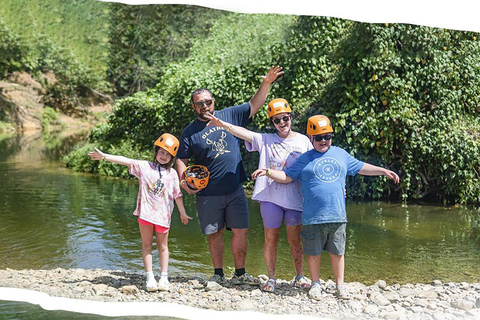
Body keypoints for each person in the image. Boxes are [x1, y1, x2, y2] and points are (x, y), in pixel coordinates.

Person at [252, 115, 400, 300]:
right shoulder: (304, 159)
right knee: (313, 252)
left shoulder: (340, 154)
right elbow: (287, 176)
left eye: (327, 137)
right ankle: (315, 284)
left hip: (337, 215)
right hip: (312, 216)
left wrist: (383, 171)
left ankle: (340, 285)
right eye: (319, 137)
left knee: (338, 252)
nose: (324, 141)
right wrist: (268, 172)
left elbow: (361, 167)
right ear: (310, 138)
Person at [176, 66, 284, 285]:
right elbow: (181, 159)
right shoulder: (189, 131)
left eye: (208, 102)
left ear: (213, 102)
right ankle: (218, 273)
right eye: (200, 103)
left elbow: (254, 105)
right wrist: (184, 180)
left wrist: (266, 84)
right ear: (193, 107)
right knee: (214, 234)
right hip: (207, 192)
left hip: (234, 189)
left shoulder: (230, 115)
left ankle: (240, 272)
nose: (205, 106)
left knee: (241, 230)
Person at [204, 98, 313, 292]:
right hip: (270, 198)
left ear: (291, 117)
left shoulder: (304, 141)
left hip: (295, 198)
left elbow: (315, 165)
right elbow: (243, 132)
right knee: (270, 239)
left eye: (285, 118)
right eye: (276, 120)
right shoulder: (266, 140)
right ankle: (271, 278)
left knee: (295, 239)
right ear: (272, 122)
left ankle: (299, 275)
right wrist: (221, 124)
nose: (281, 123)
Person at [88, 133, 192, 292]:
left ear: (172, 157)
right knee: (146, 245)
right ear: (156, 151)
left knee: (163, 246)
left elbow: (177, 195)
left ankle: (164, 277)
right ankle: (150, 277)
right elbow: (126, 160)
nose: (163, 156)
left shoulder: (172, 175)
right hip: (146, 215)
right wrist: (104, 157)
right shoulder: (144, 167)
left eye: (168, 154)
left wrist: (183, 212)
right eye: (161, 152)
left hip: (163, 217)